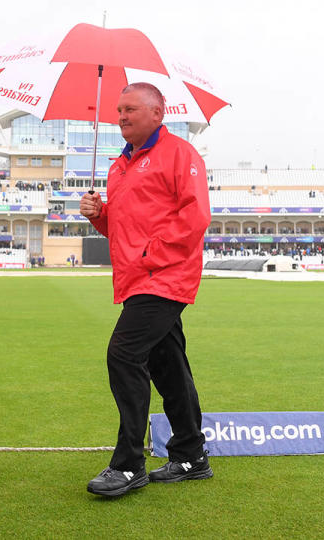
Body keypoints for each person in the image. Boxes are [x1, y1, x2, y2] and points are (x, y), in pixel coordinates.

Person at [79, 82, 212, 497]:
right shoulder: (118, 166)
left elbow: (196, 216)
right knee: (167, 363)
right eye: (118, 109)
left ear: (158, 112)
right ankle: (191, 455)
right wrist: (98, 215)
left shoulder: (180, 154)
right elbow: (121, 229)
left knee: (123, 354)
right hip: (137, 278)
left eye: (130, 108)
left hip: (166, 275)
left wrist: (152, 252)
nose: (121, 116)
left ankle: (128, 464)